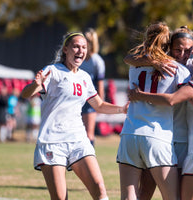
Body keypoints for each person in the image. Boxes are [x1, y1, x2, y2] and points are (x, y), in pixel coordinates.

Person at [124, 26, 193, 199]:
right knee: (147, 191)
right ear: (169, 47)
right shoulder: (168, 65)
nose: (183, 54)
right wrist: (154, 61)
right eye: (178, 49)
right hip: (164, 139)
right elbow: (129, 58)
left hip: (186, 142)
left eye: (189, 50)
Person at [20, 32, 128, 200]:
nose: (80, 50)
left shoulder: (84, 77)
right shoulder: (53, 71)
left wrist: (122, 109)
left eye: (84, 47)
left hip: (78, 139)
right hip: (52, 142)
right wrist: (35, 85)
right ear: (66, 49)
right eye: (76, 46)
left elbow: (98, 105)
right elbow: (25, 94)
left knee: (100, 190)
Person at [116, 22, 191, 200]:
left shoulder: (134, 65)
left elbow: (129, 57)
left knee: (129, 196)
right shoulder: (177, 69)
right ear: (169, 46)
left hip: (129, 134)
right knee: (172, 197)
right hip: (157, 137)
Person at [80, 28, 106, 146]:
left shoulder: (97, 61)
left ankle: (89, 157)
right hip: (78, 98)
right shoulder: (79, 59)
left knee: (88, 133)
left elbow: (100, 83)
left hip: (90, 100)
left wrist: (100, 103)